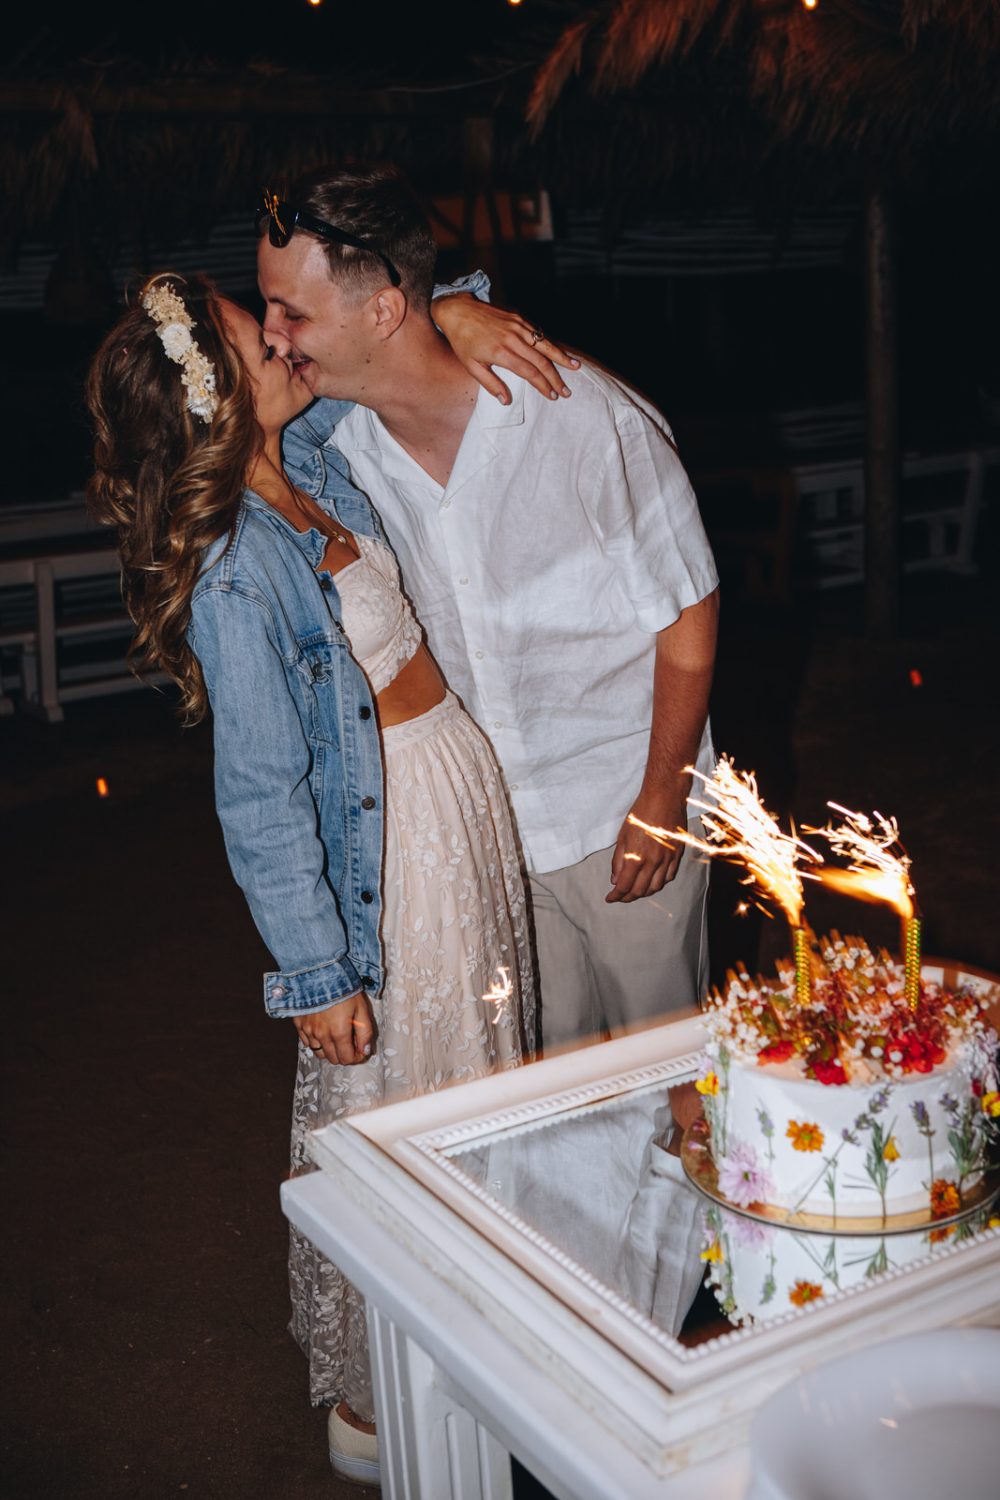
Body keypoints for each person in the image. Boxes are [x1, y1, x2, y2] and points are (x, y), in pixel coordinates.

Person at [84, 270, 568, 1483]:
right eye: (264, 343)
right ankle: (384, 1387)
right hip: (388, 842)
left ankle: (475, 1331)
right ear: (218, 404)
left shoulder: (322, 456)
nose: (293, 343)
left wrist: (452, 310)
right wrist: (315, 972)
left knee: (478, 1072)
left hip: (452, 797)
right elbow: (260, 795)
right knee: (409, 1099)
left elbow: (389, 319)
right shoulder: (237, 574)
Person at [258, 166, 721, 1055]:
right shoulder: (338, 453)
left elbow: (687, 605)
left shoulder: (577, 415)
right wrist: (459, 303)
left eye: (293, 313)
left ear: (385, 313)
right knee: (549, 1102)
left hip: (619, 812)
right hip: (489, 838)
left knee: (675, 1096)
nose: (276, 337)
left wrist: (662, 796)